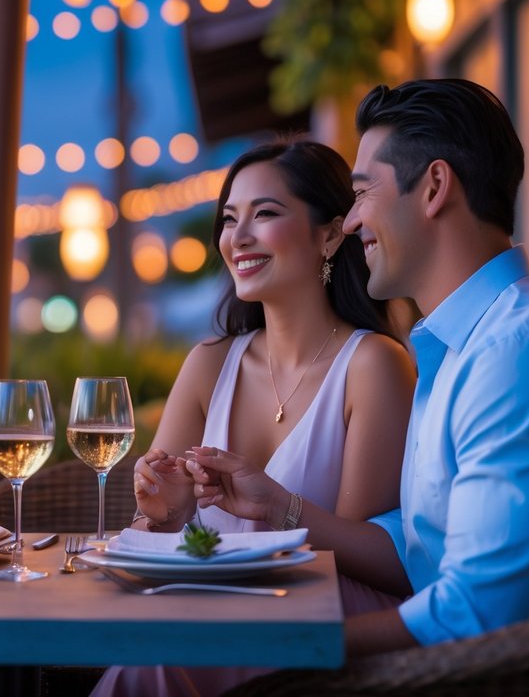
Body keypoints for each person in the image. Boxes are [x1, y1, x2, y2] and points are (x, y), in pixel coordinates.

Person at [189, 78, 529, 658]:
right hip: (472, 667)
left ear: (435, 188)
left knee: (190, 657)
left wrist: (281, 644)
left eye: (364, 193)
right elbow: (418, 545)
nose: (350, 224)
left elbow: (472, 617)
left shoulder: (528, 353)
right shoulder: (461, 347)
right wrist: (273, 506)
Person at [91, 140, 415, 696]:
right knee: (156, 654)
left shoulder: (373, 365)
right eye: (229, 219)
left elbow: (373, 561)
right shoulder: (208, 364)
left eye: (264, 214)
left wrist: (274, 504)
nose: (236, 238)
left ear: (330, 234)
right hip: (214, 612)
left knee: (156, 664)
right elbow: (156, 526)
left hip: (337, 630)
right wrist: (167, 517)